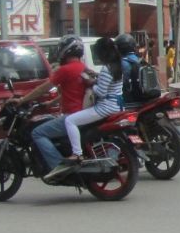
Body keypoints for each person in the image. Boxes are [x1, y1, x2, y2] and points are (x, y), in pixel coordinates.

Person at [47, 36, 124, 180]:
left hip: (106, 107)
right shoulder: (117, 66)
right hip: (118, 105)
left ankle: (77, 153)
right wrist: (96, 78)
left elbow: (101, 92)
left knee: (70, 121)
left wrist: (89, 83)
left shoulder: (107, 69)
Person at [20, 35, 89, 176]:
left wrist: (21, 100)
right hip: (83, 115)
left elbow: (43, 88)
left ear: (65, 50)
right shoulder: (82, 67)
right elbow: (72, 92)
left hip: (72, 115)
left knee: (37, 133)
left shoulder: (65, 70)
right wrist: (51, 103)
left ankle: (57, 166)